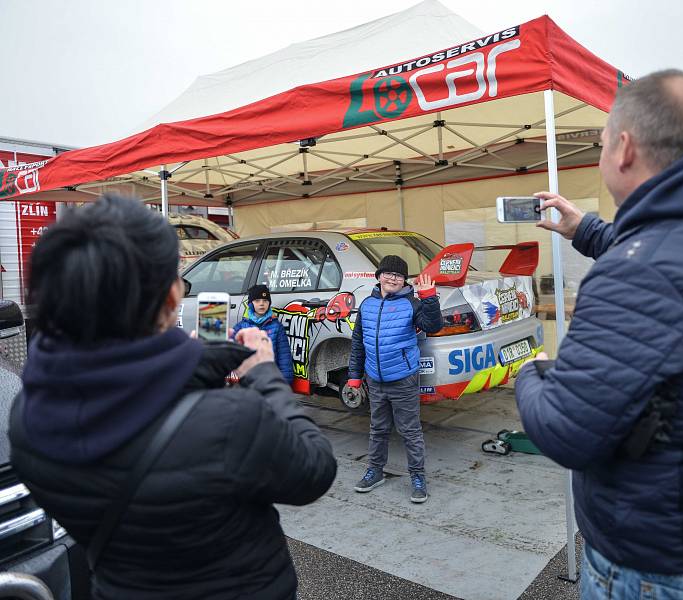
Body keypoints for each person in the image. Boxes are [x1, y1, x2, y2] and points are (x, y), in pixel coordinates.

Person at [515, 69, 683, 598]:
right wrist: (585, 229)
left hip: (649, 563)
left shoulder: (639, 274)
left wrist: (528, 367)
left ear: (623, 148)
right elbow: (673, 252)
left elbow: (562, 430)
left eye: (598, 145)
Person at [9, 195, 337, 600]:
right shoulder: (228, 420)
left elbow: (132, 406)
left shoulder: (27, 418)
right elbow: (315, 470)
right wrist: (266, 374)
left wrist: (187, 363)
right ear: (169, 300)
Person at [348, 255, 442, 503]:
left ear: (404, 281)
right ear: (378, 276)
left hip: (403, 379)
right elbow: (358, 343)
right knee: (377, 429)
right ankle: (375, 471)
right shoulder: (367, 304)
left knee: (410, 431)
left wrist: (429, 297)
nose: (393, 278)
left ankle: (418, 477)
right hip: (375, 380)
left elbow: (433, 326)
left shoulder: (413, 303)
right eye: (388, 273)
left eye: (398, 275)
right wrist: (354, 377)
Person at [233, 284, 294, 384]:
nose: (262, 304)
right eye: (257, 301)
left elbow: (284, 356)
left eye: (265, 301)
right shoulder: (240, 327)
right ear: (251, 304)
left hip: (270, 378)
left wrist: (284, 382)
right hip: (247, 379)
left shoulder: (277, 327)